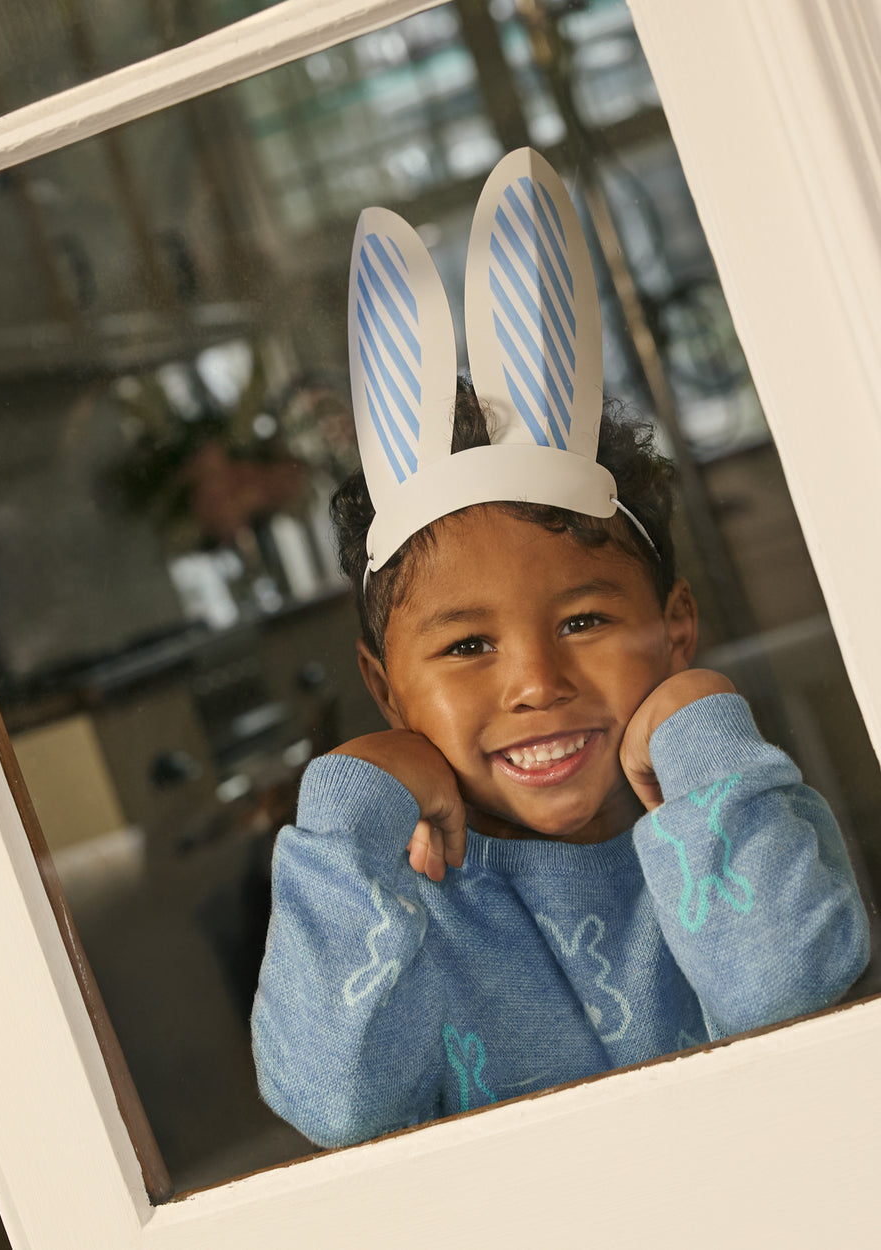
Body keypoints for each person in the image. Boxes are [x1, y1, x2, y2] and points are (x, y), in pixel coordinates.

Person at [250, 150, 870, 1150]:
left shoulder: (737, 807)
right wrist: (351, 793)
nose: (537, 682)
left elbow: (788, 988)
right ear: (386, 688)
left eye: (583, 622)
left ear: (674, 626)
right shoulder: (401, 902)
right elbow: (333, 1099)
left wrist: (701, 727)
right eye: (466, 644)